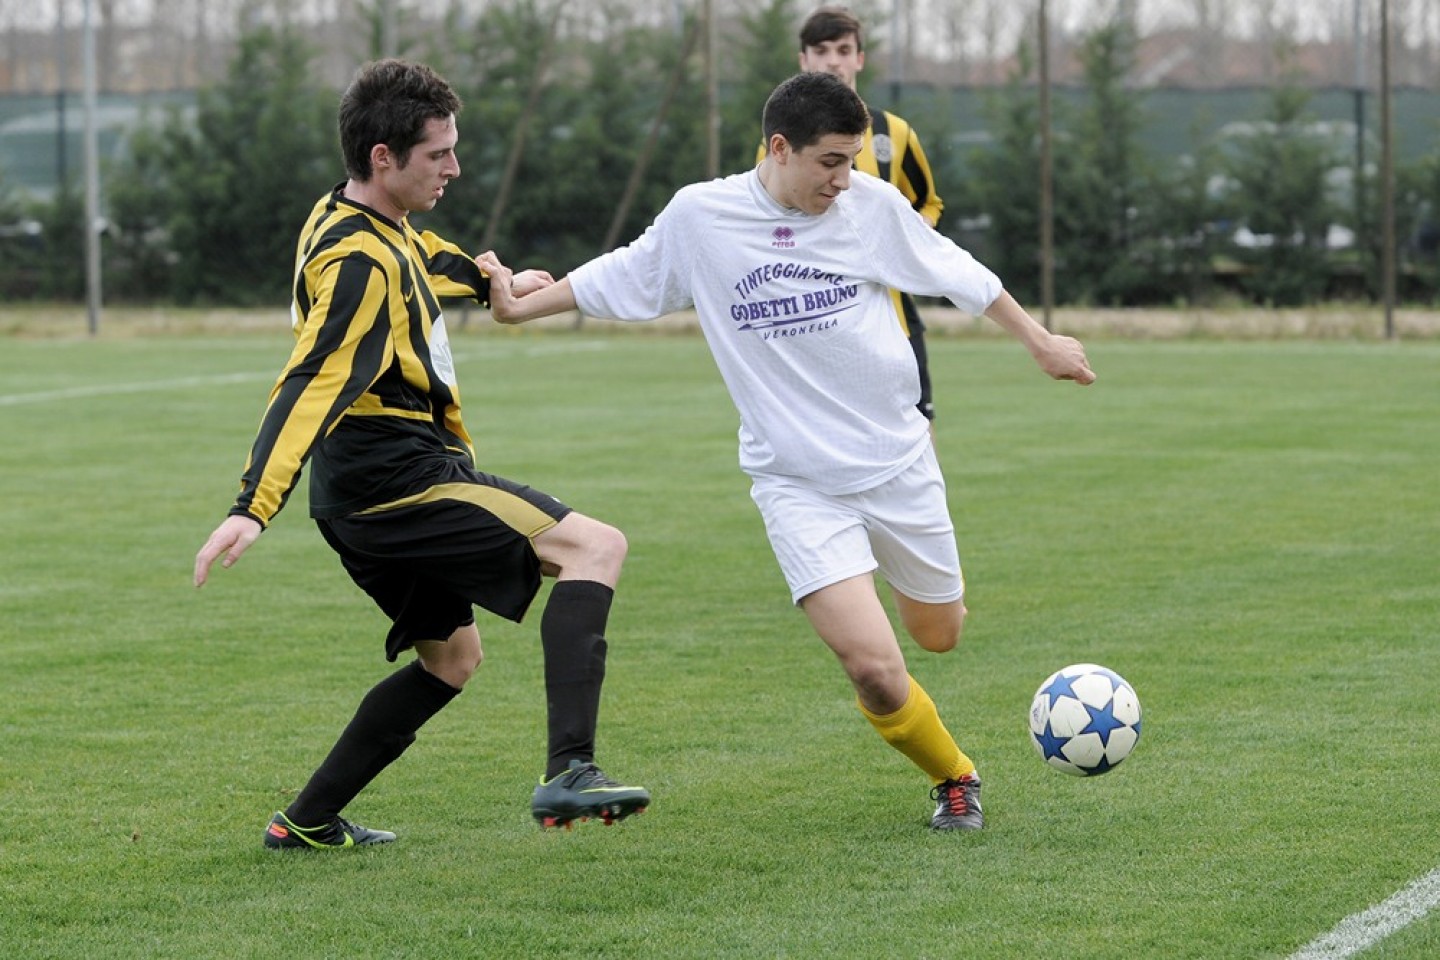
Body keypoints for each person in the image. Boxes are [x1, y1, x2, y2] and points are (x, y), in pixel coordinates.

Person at [476, 72, 1095, 831]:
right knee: (873, 668)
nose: (845, 179)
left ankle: (929, 603)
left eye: (853, 160)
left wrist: (1040, 342)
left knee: (940, 635)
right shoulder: (703, 217)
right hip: (797, 485)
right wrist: (515, 307)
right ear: (779, 148)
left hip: (899, 463)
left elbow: (956, 271)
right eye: (831, 162)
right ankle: (955, 777)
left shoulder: (870, 206)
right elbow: (620, 275)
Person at [193, 58, 649, 850]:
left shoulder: (356, 218)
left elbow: (419, 258)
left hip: (359, 491)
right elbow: (310, 382)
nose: (454, 167)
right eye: (439, 153)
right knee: (595, 546)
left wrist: (486, 277)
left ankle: (304, 823)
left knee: (452, 660)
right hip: (395, 480)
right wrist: (251, 508)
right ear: (383, 158)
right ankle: (571, 770)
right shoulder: (357, 263)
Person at [757, 6, 944, 430]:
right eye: (821, 50)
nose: (833, 61)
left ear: (859, 59)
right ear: (803, 60)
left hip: (894, 316)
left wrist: (914, 238)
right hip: (822, 320)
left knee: (918, 431)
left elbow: (928, 203)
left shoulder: (893, 133)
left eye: (844, 50)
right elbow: (769, 220)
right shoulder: (781, 144)